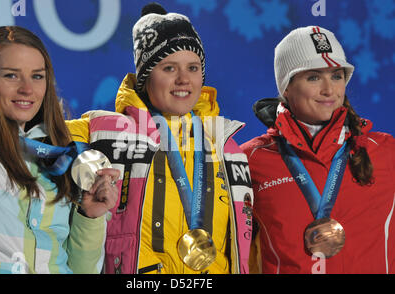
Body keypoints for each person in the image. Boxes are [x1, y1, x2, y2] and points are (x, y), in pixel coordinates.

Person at [67, 2, 254, 274]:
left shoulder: (227, 145)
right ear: (145, 76)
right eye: (168, 68)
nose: (183, 80)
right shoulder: (103, 131)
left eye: (193, 68)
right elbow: (31, 134)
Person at [0, 11, 119, 274]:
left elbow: (82, 270)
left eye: (37, 76)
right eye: (11, 75)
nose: (27, 89)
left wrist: (89, 216)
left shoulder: (59, 157)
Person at [241, 26, 395, 274]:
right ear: (286, 88)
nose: (329, 90)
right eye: (313, 77)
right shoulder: (250, 160)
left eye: (336, 76)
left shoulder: (386, 151)